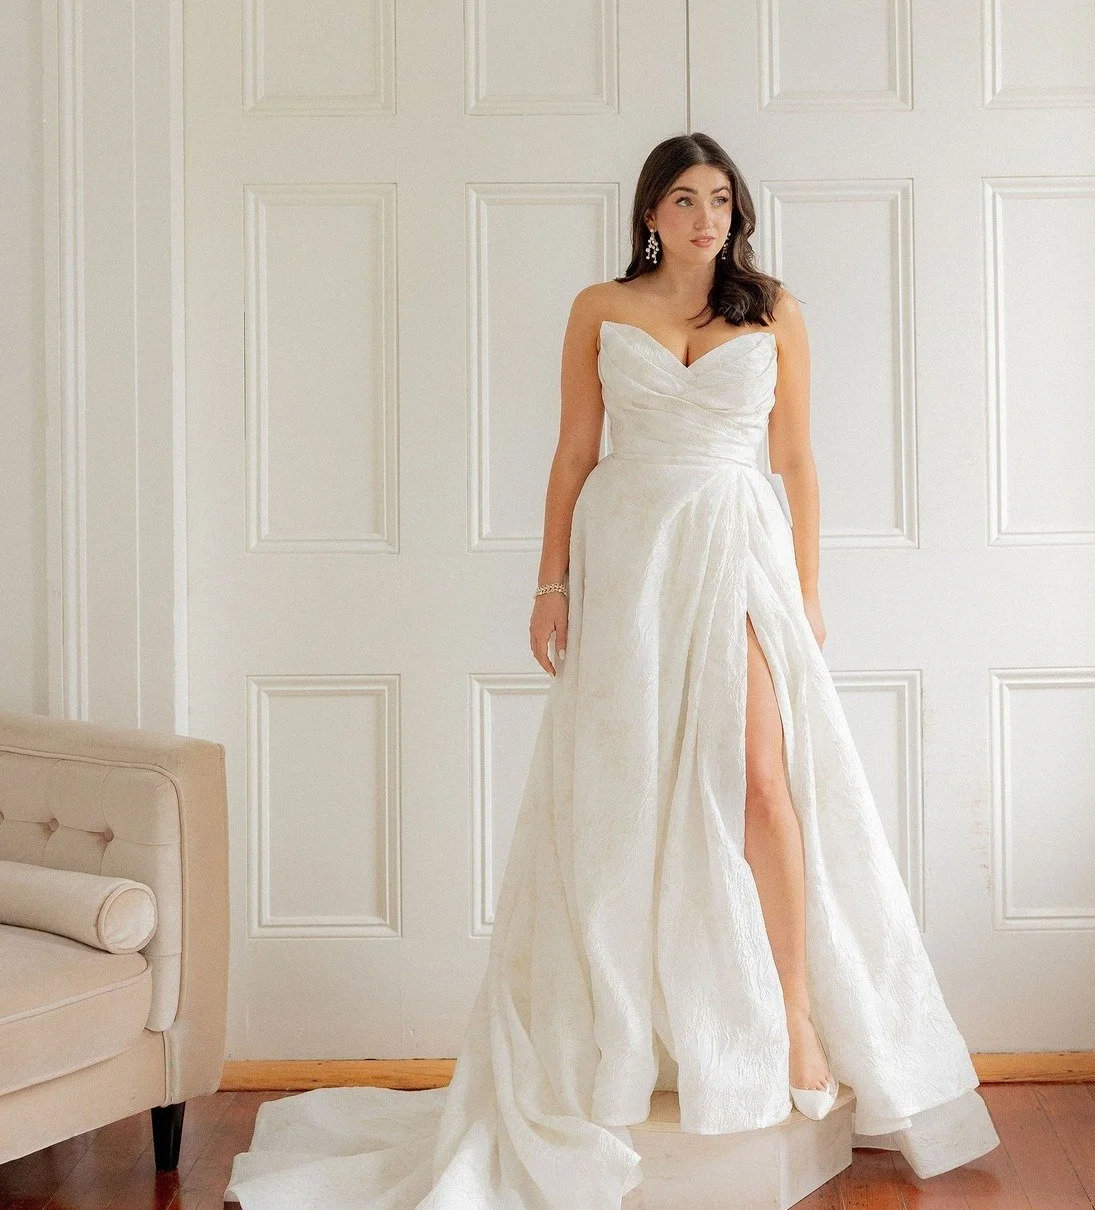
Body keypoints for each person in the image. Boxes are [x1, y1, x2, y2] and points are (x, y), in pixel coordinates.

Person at [227, 133, 1000, 1209]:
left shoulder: (773, 309)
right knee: (628, 794)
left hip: (735, 544)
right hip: (631, 551)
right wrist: (550, 585)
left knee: (762, 780)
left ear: (738, 212)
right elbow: (573, 453)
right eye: (683, 199)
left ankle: (797, 1014)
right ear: (650, 213)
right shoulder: (601, 306)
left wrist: (808, 592)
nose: (703, 217)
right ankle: (624, 1035)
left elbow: (799, 458)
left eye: (720, 198)